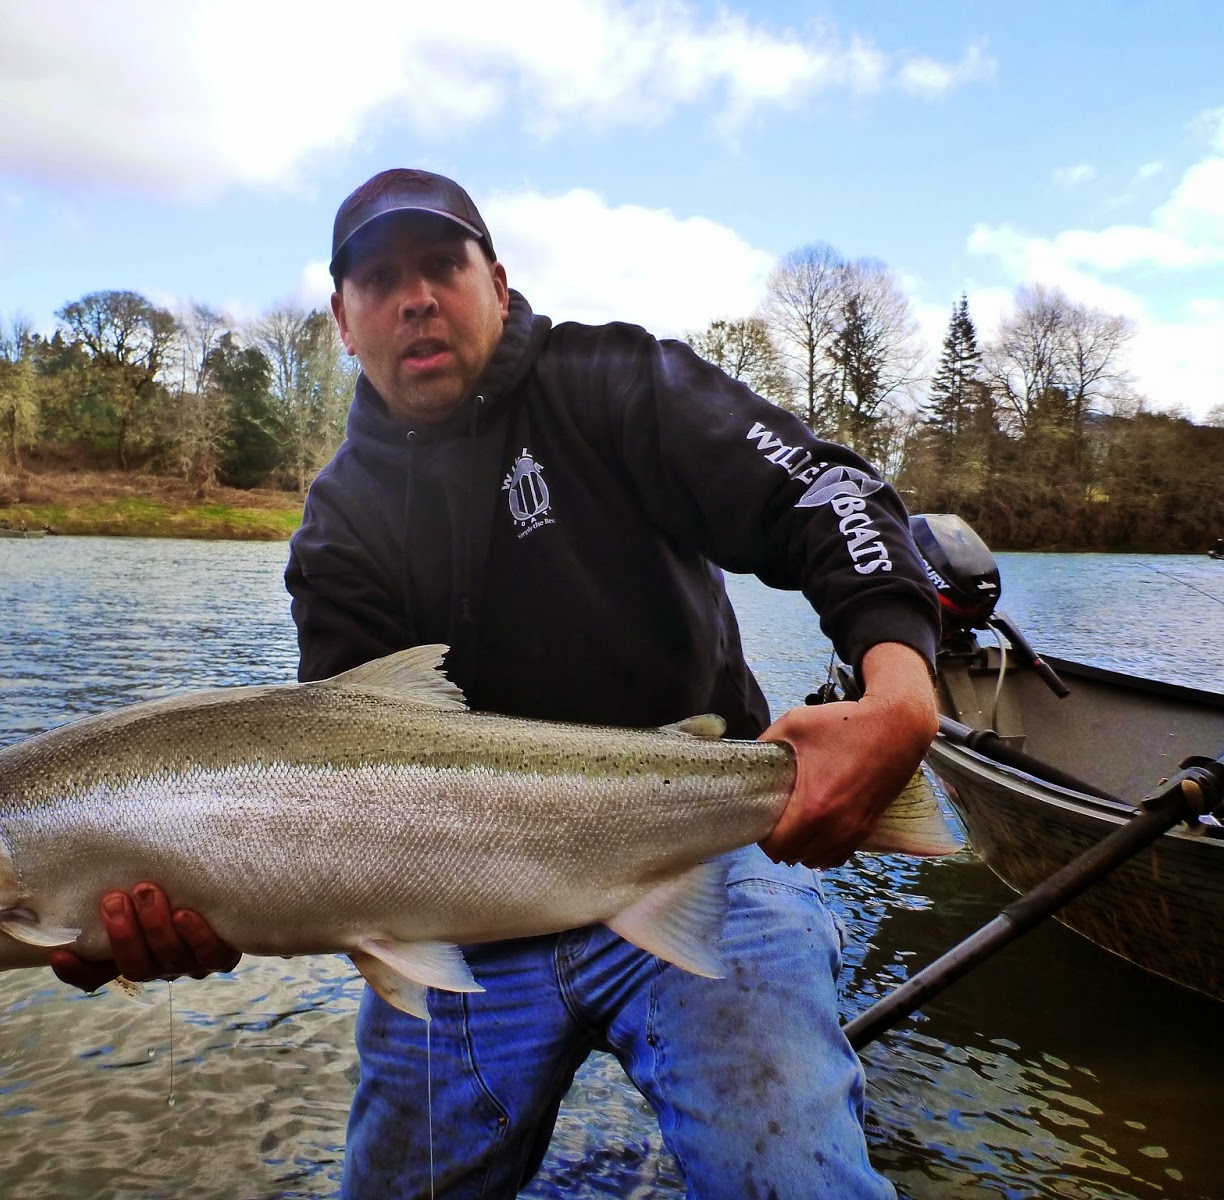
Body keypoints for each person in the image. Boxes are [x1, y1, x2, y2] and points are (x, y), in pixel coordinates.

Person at [53, 167, 940, 1199]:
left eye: (441, 265)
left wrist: (898, 693)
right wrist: (207, 907)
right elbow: (336, 804)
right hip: (462, 929)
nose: (414, 296)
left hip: (708, 849)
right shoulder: (339, 529)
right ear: (343, 319)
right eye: (379, 279)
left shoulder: (615, 382)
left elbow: (824, 491)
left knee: (792, 1179)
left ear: (499, 284)